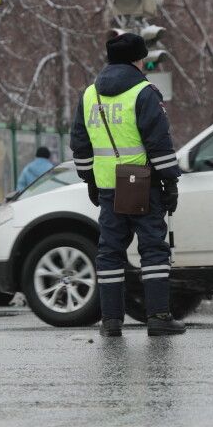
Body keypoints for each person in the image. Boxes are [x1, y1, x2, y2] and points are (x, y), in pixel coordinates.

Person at [70, 32, 184, 338]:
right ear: (138, 60)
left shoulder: (89, 95)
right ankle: (158, 316)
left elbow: (80, 145)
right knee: (153, 250)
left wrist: (90, 180)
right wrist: (170, 182)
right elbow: (158, 143)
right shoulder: (144, 93)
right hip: (141, 184)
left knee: (109, 253)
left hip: (109, 187)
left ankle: (111, 322)